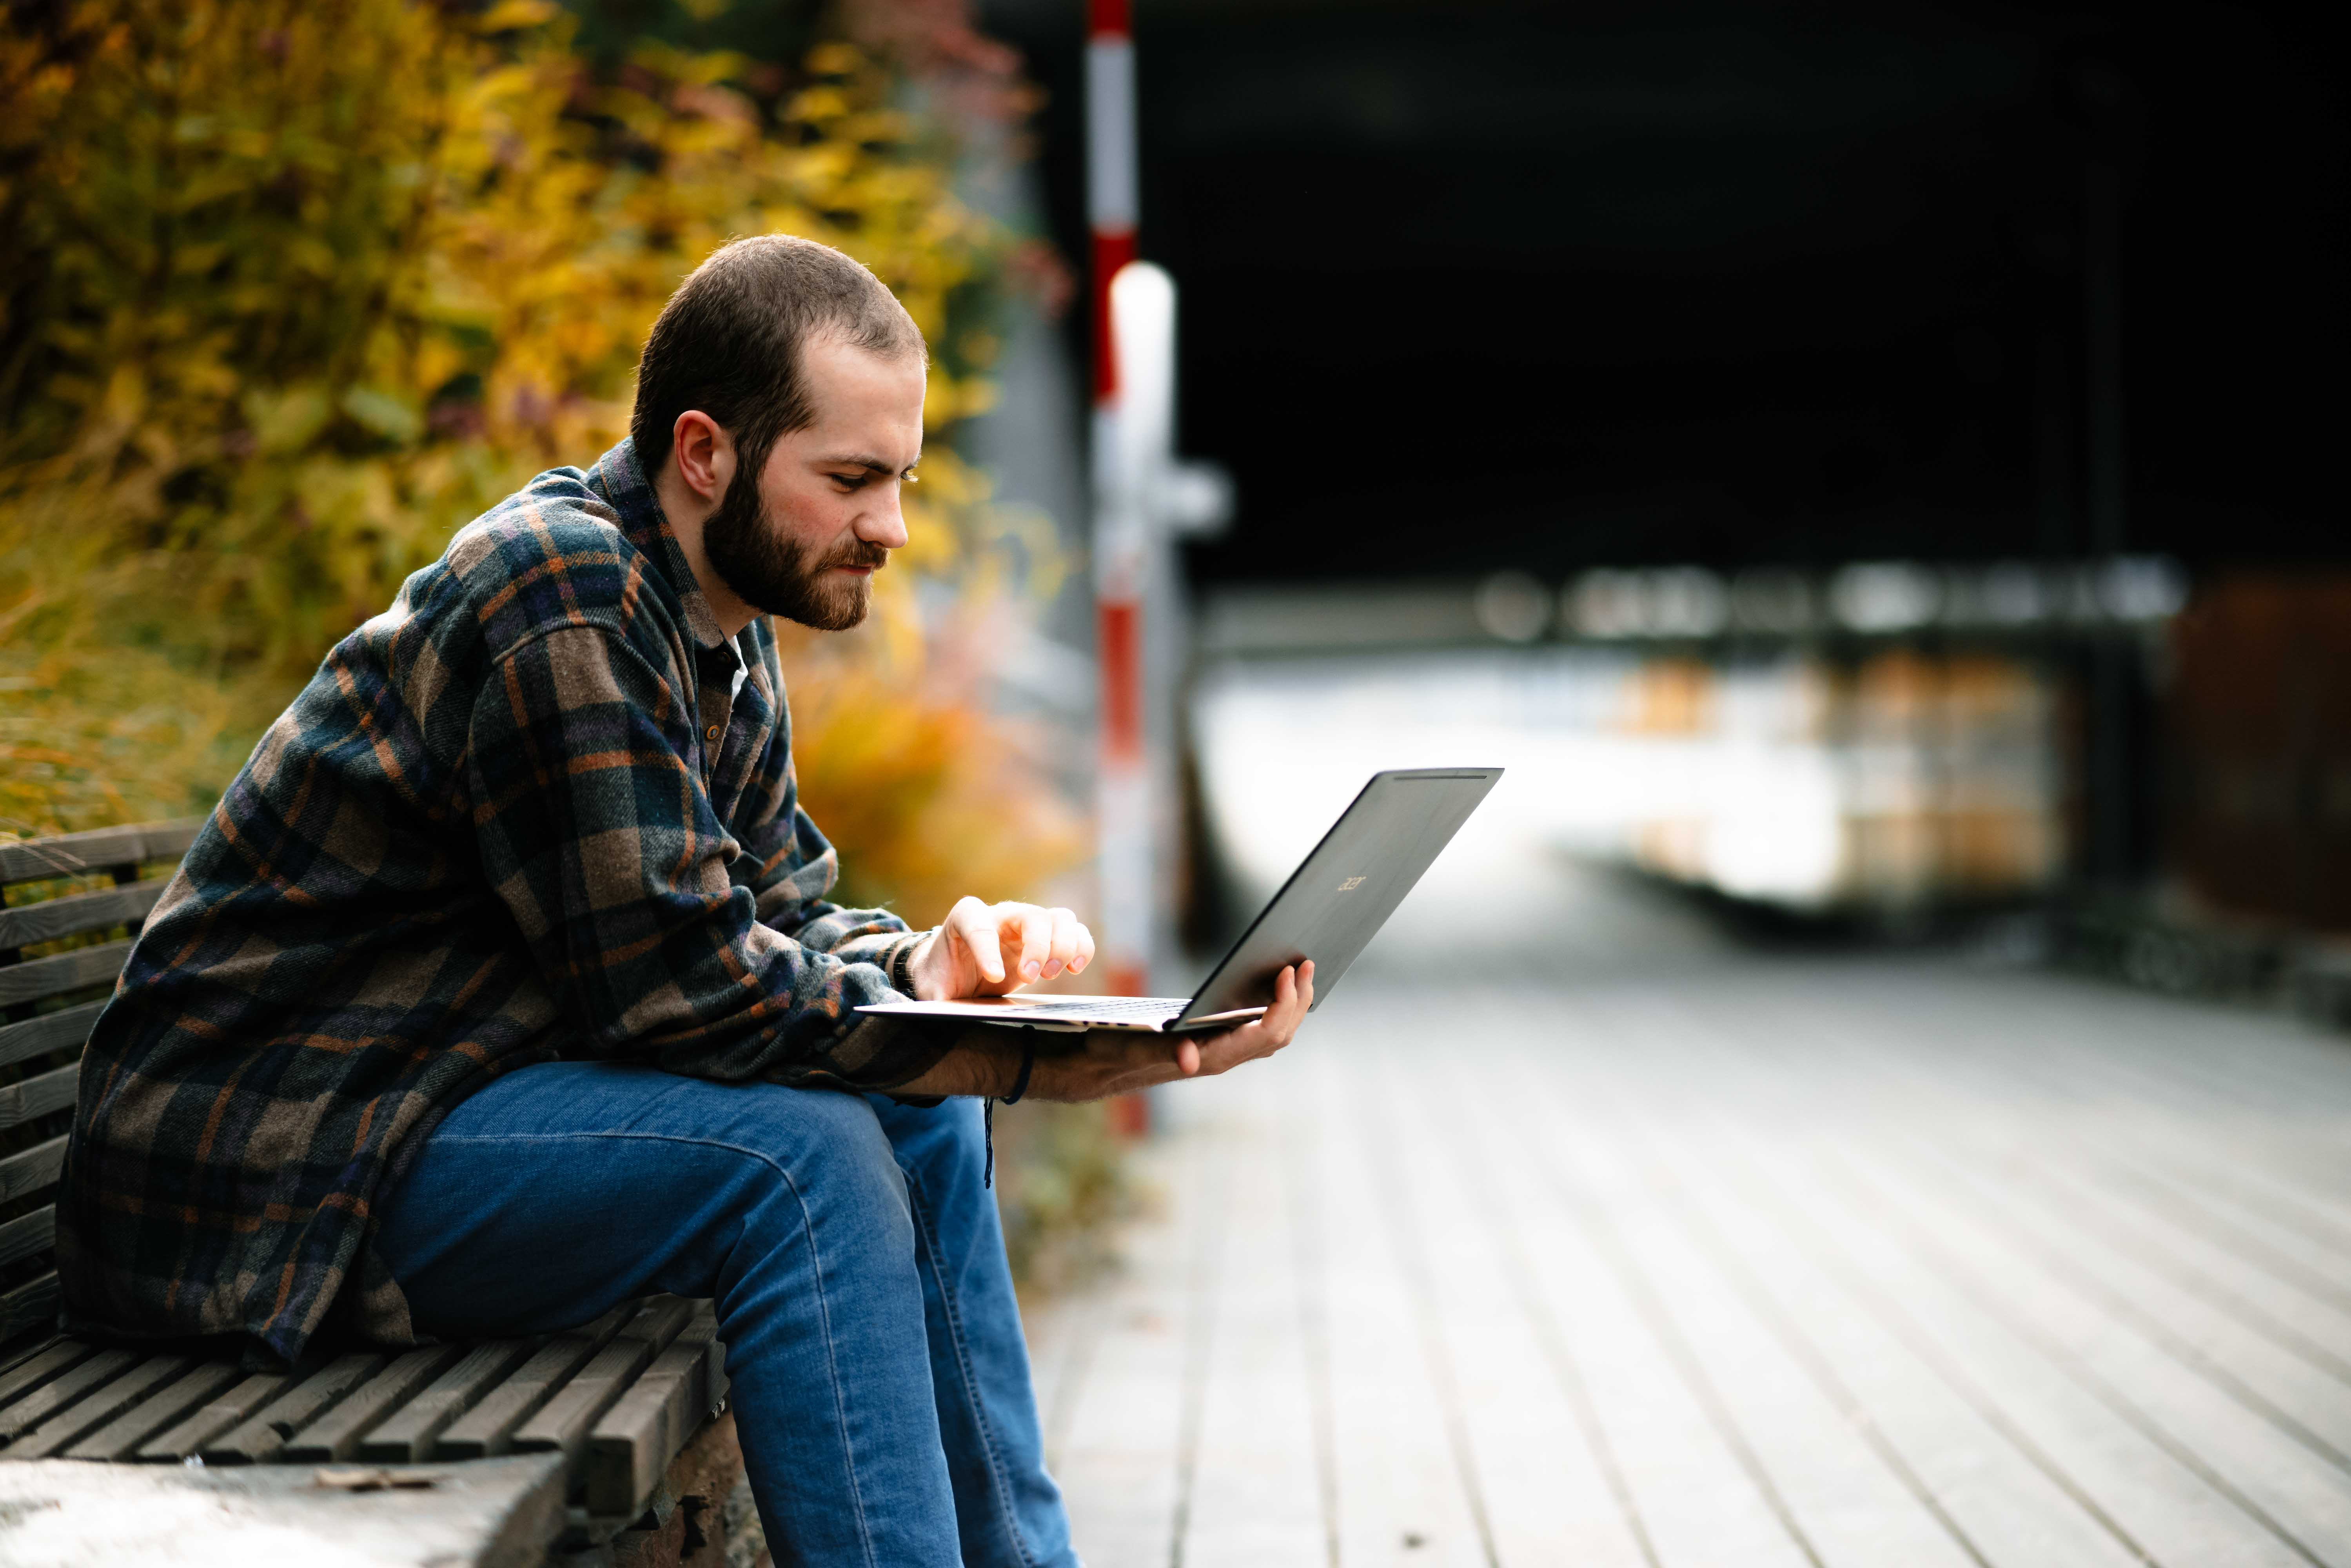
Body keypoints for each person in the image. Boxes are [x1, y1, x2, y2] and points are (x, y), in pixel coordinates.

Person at [58, 234, 1313, 1566]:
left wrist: (931, 967)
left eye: (899, 480)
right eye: (851, 481)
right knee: (801, 1162)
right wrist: (1036, 1065)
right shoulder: (566, 598)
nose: (888, 528)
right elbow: (688, 994)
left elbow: (773, 916)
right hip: (269, 1179)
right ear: (706, 454)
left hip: (430, 1104)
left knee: (921, 1119)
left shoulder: (715, 619)